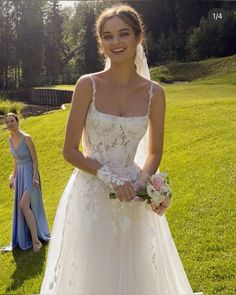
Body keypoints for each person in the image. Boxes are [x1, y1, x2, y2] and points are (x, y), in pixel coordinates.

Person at [40, 4, 203, 295]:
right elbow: (70, 151)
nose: (115, 42)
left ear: (138, 37)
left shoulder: (155, 93)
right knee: (93, 272)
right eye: (108, 36)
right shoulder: (87, 85)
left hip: (132, 195)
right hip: (91, 193)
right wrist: (110, 177)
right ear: (100, 42)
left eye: (123, 34)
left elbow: (154, 152)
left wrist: (142, 184)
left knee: (135, 273)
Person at [3, 112, 50, 253]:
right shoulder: (10, 140)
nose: (10, 124)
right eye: (7, 122)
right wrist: (14, 177)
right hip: (21, 175)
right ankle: (28, 237)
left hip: (30, 174)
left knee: (23, 205)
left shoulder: (27, 138)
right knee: (23, 206)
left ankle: (36, 242)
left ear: (17, 122)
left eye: (12, 121)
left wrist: (35, 176)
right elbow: (16, 160)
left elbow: (35, 159)